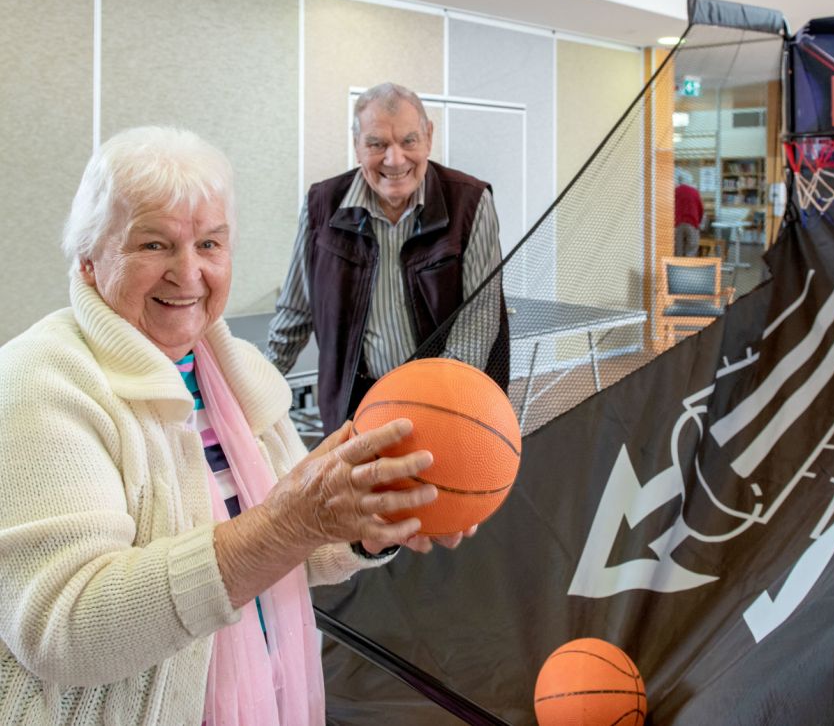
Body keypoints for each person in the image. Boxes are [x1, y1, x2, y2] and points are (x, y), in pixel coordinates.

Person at [0, 126, 462, 725]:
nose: (188, 273)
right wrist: (286, 523)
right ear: (89, 258)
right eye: (154, 245)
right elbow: (65, 628)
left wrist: (364, 525)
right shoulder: (37, 381)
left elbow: (293, 550)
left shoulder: (238, 371)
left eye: (210, 245)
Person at [266, 82, 509, 434]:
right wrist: (247, 396)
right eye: (377, 144)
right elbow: (295, 312)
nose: (394, 160)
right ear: (356, 146)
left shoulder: (470, 203)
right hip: (354, 404)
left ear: (428, 137)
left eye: (408, 141)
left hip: (441, 402)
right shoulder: (321, 205)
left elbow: (476, 327)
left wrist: (434, 408)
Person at [674, 175, 704, 257]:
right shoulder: (694, 192)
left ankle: (677, 268)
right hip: (692, 223)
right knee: (691, 249)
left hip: (677, 223)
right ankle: (688, 267)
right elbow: (700, 209)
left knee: (678, 250)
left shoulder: (675, 191)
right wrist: (699, 223)